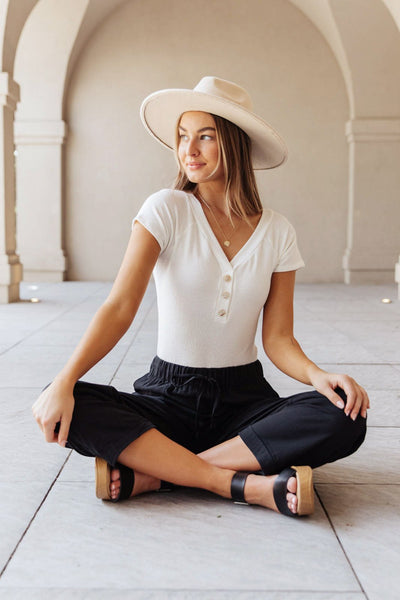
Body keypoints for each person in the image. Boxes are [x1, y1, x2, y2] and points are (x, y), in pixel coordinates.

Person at [32, 76, 369, 518]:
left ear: (234, 143)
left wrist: (317, 375)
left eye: (205, 136)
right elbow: (119, 306)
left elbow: (279, 339)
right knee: (66, 404)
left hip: (244, 402)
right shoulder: (165, 209)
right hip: (166, 397)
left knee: (345, 415)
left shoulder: (278, 232)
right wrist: (63, 381)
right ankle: (240, 483)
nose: (188, 150)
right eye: (182, 137)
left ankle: (158, 474)